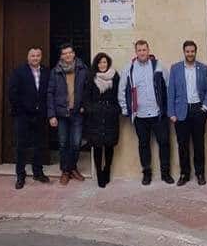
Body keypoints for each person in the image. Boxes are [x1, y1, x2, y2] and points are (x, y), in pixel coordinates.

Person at [119, 39, 174, 185]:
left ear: (148, 50)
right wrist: (126, 110)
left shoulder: (159, 66)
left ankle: (165, 173)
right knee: (143, 144)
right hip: (140, 116)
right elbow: (122, 89)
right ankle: (147, 173)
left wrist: (169, 109)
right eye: (139, 50)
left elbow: (168, 87)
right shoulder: (129, 68)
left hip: (158, 114)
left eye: (144, 50)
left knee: (164, 143)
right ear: (136, 52)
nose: (142, 52)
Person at [168, 40, 207, 186]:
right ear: (184, 52)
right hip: (181, 112)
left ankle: (200, 174)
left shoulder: (203, 68)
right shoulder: (175, 69)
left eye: (192, 51)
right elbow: (171, 92)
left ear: (195, 51)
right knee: (183, 145)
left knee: (199, 144)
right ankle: (184, 174)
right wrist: (171, 113)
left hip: (198, 110)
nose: (190, 54)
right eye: (187, 51)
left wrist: (205, 107)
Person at [8, 46, 51, 189]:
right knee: (22, 146)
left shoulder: (46, 72)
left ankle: (38, 172)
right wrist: (22, 109)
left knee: (39, 145)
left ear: (41, 57)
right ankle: (20, 175)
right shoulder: (19, 71)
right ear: (28, 57)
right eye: (33, 56)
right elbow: (13, 93)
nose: (35, 58)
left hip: (40, 115)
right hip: (23, 116)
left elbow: (49, 93)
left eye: (38, 55)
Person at [47, 43, 88, 185]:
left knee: (76, 143)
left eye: (70, 52)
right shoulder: (55, 71)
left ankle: (72, 168)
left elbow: (87, 90)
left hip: (77, 113)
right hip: (61, 113)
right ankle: (65, 171)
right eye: (64, 53)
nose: (67, 55)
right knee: (63, 144)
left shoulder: (82, 69)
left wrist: (84, 106)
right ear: (61, 56)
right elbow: (50, 93)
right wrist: (51, 115)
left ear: (74, 53)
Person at [83, 52, 120, 187]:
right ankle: (99, 173)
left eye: (104, 62)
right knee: (97, 146)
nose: (102, 65)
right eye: (100, 62)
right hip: (96, 117)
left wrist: (116, 109)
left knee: (109, 145)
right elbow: (86, 97)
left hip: (110, 115)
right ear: (96, 64)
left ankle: (107, 170)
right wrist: (91, 109)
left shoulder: (115, 76)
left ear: (108, 63)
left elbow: (118, 95)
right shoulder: (91, 77)